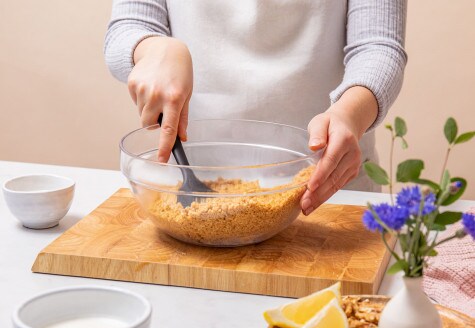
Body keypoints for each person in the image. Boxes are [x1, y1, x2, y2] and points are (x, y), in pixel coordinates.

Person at [104, 0, 407, 215]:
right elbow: (128, 27)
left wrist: (349, 115)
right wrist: (154, 48)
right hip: (191, 187)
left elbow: (378, 47)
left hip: (328, 188)